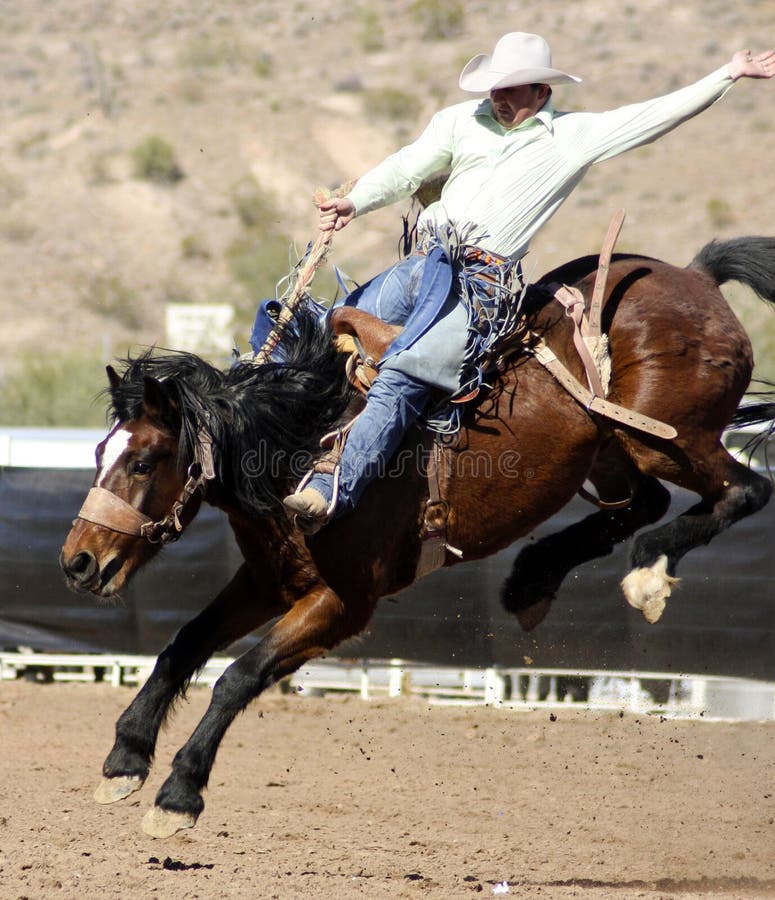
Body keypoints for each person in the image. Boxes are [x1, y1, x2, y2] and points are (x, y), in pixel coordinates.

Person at [283, 32, 775, 532]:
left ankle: (331, 489)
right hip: (423, 265)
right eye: (496, 86)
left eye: (512, 88)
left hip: (476, 287)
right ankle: (266, 454)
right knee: (319, 337)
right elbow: (407, 168)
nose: (499, 95)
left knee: (406, 375)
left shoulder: (573, 136)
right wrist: (355, 200)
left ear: (542, 91)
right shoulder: (457, 122)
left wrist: (727, 74)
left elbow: (653, 116)